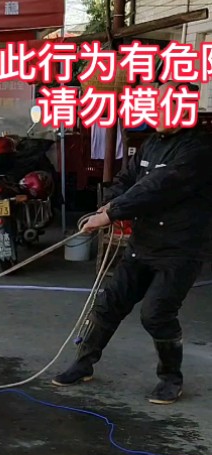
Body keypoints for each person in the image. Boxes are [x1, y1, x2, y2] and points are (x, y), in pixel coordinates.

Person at [53, 80, 212, 405]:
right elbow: (129, 180)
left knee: (156, 313)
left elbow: (157, 187)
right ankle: (82, 365)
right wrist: (106, 204)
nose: (157, 112)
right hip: (143, 245)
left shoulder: (198, 150)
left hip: (179, 251)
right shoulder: (151, 144)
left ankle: (171, 378)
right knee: (109, 301)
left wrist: (112, 213)